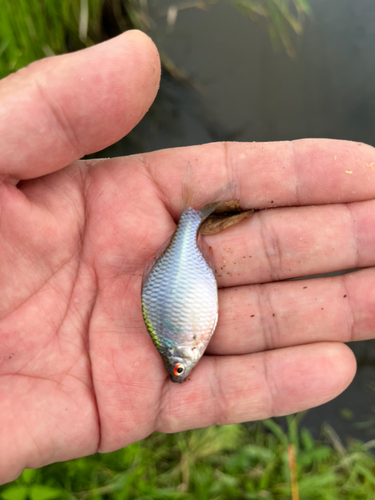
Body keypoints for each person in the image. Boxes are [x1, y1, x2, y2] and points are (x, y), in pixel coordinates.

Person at [0, 29, 373, 485]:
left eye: (179, 367)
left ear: (183, 354)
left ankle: (193, 218)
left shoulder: (175, 337)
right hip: (187, 265)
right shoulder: (181, 338)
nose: (182, 369)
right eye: (178, 368)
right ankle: (195, 218)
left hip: (183, 264)